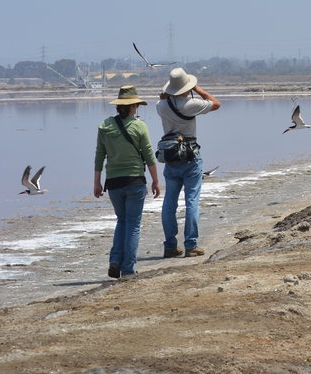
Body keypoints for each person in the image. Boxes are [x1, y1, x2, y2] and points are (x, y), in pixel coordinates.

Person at [94, 86, 161, 279]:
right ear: (133, 107)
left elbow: (99, 156)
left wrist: (97, 183)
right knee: (133, 225)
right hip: (134, 181)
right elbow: (149, 156)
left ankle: (115, 260)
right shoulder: (139, 126)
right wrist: (156, 181)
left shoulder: (105, 126)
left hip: (113, 182)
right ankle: (128, 268)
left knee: (121, 221)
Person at [156, 67, 221, 258]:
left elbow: (161, 98)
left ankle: (170, 245)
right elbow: (216, 104)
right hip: (191, 156)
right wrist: (199, 89)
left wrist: (167, 94)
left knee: (169, 202)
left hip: (170, 157)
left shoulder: (161, 106)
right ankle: (190, 245)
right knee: (191, 201)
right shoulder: (192, 103)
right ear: (187, 86)